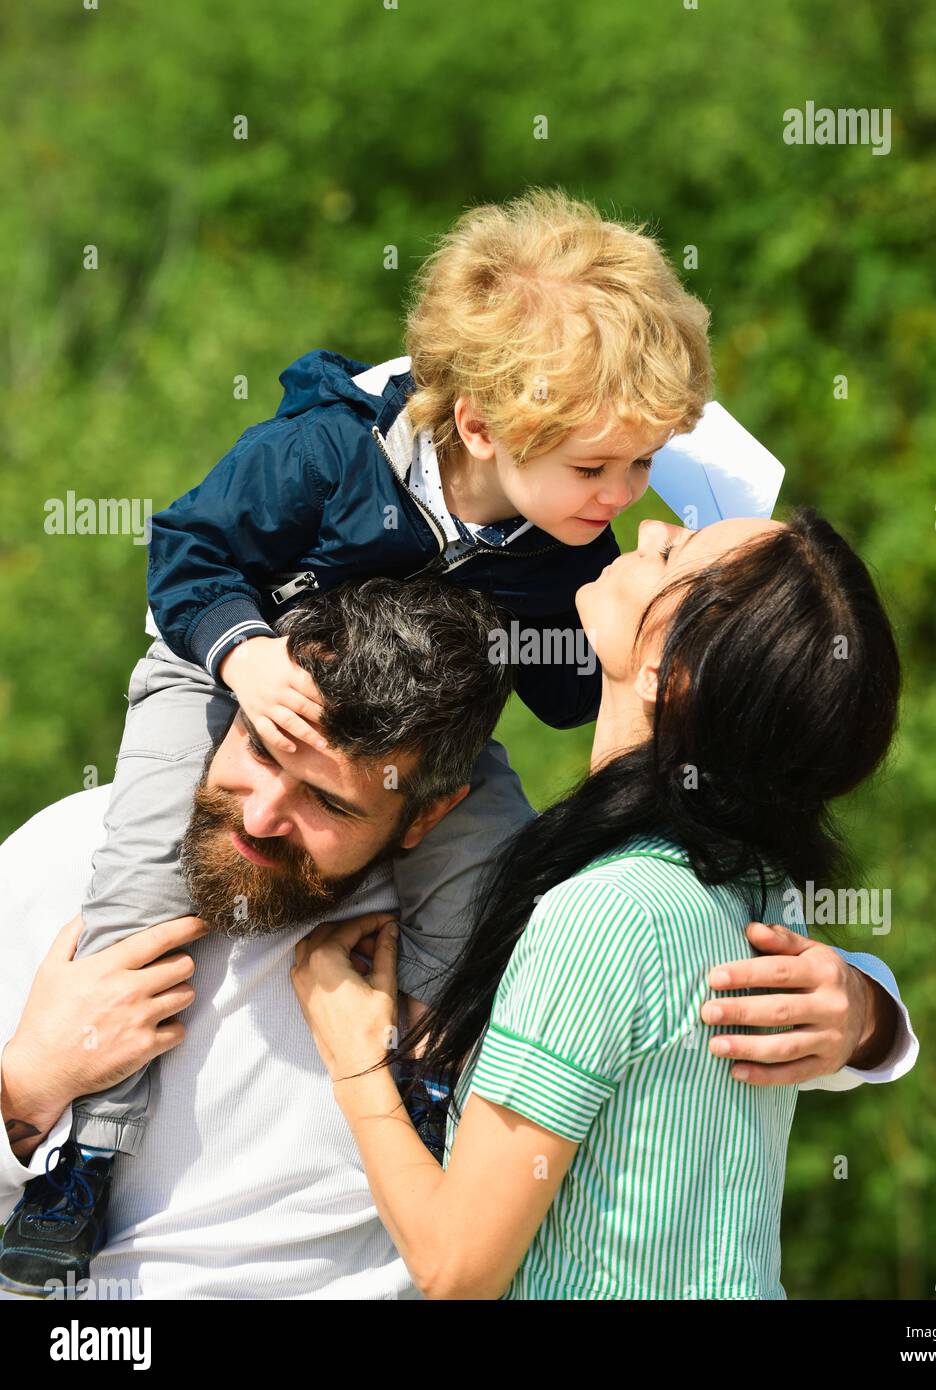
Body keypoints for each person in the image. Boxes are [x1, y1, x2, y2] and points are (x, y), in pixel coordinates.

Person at [1, 187, 718, 1286]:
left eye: (641, 465)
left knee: (497, 880)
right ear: (481, 425)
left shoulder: (569, 531)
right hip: (224, 667)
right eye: (596, 468)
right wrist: (245, 657)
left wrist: (648, 618)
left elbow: (581, 712)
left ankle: (434, 1099)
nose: (619, 493)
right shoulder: (328, 450)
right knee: (137, 884)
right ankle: (85, 1156)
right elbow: (185, 548)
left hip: (418, 738)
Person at [0, 573, 913, 1301]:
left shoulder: (482, 911)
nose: (266, 815)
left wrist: (862, 1016)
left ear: (424, 818)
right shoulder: (75, 854)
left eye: (327, 801)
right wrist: (26, 1085)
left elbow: (668, 980)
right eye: (260, 750)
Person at [292, 509, 913, 1299]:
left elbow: (456, 1266)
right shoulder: (755, 892)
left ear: (665, 670)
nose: (650, 530)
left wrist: (354, 1055)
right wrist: (870, 1015)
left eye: (675, 552)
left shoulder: (605, 916)